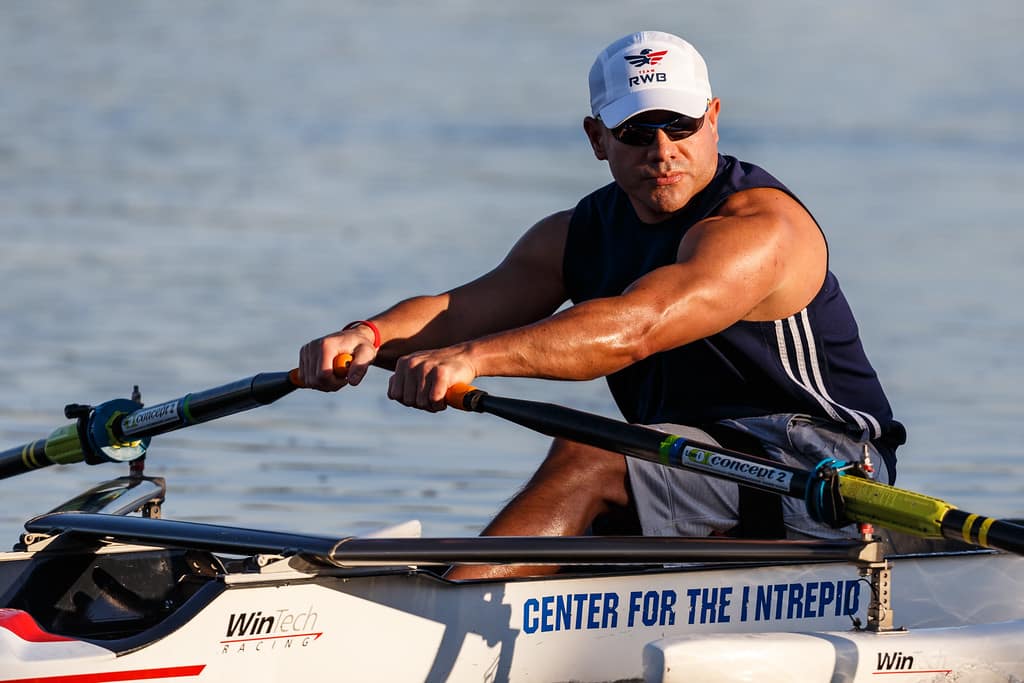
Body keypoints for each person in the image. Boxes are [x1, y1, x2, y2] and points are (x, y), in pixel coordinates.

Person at [298, 30, 905, 579]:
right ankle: (472, 600)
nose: (663, 151)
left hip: (817, 472)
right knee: (603, 469)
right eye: (637, 132)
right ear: (597, 138)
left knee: (589, 455)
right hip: (686, 455)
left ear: (714, 119)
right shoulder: (578, 233)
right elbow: (459, 309)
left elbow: (638, 327)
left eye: (681, 126)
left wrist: (470, 360)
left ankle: (443, 617)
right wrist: (367, 337)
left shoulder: (758, 227)